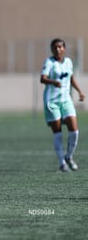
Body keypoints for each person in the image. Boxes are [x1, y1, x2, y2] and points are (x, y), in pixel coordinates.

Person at [40, 38, 85, 172]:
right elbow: (42, 78)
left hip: (66, 100)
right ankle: (61, 163)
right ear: (52, 49)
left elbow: (71, 78)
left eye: (60, 47)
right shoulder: (49, 62)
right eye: (55, 47)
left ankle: (69, 157)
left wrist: (80, 91)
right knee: (58, 133)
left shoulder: (69, 62)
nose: (57, 49)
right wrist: (54, 82)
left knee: (74, 131)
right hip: (52, 102)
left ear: (64, 49)